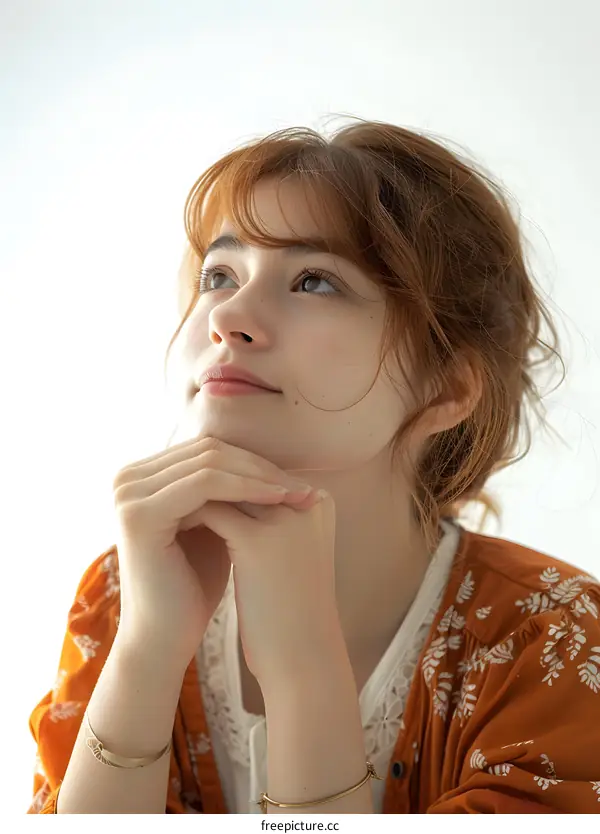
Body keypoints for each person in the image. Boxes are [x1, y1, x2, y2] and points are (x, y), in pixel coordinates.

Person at [27, 118, 600, 814]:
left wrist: (303, 671)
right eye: (219, 274)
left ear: (446, 387)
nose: (227, 316)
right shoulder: (124, 594)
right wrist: (148, 649)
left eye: (313, 281)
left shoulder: (553, 639)